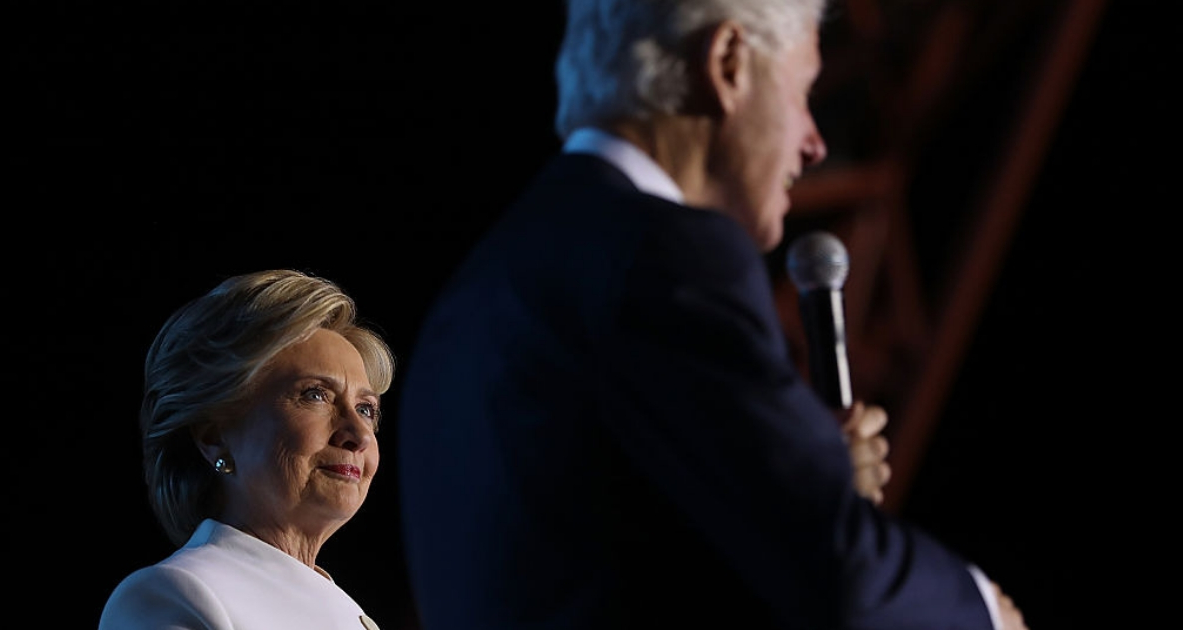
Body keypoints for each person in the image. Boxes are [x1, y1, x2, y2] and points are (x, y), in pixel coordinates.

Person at [396, 0, 1030, 629]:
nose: (813, 143)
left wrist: (797, 470)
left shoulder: (480, 287)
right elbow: (840, 578)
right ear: (728, 62)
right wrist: (984, 611)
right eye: (803, 92)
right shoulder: (663, 251)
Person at [99, 269, 395, 630]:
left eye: (366, 409)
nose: (358, 434)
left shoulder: (349, 611)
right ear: (214, 437)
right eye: (314, 395)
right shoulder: (172, 596)